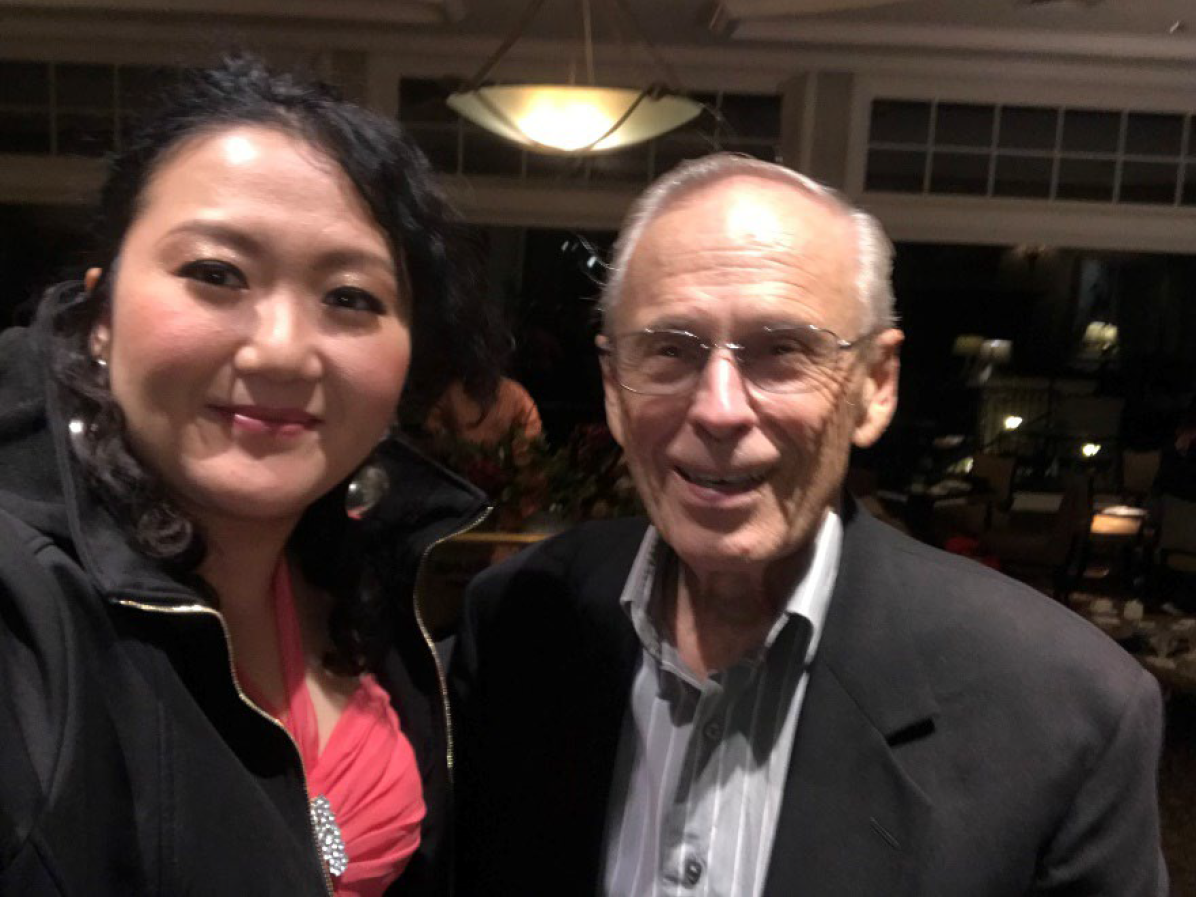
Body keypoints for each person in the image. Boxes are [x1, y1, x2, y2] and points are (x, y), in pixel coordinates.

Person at [450, 154, 1168, 895]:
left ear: (875, 387)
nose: (718, 408)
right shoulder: (514, 620)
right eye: (669, 349)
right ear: (613, 387)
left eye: (782, 351)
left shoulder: (1066, 710)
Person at [0, 56, 502, 896]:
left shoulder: (358, 580)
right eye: (216, 274)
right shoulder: (22, 612)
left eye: (349, 297)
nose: (279, 350)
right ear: (99, 316)